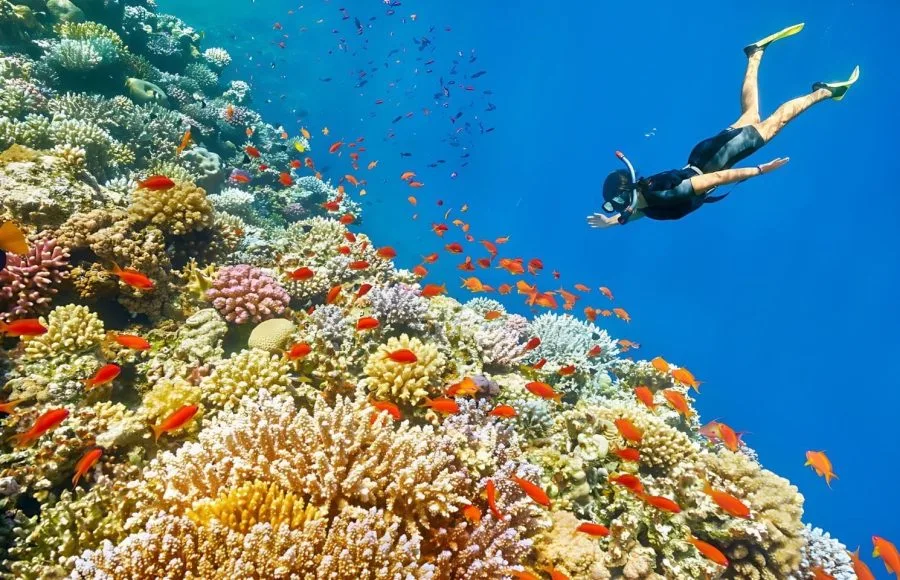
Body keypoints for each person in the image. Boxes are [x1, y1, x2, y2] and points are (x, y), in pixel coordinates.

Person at [588, 23, 859, 227]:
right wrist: (611, 222)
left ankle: (823, 92)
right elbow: (637, 212)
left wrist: (759, 170)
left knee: (774, 124)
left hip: (716, 159)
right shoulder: (648, 203)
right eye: (613, 206)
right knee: (751, 115)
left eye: (619, 201)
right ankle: (755, 54)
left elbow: (716, 178)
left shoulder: (666, 194)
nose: (619, 208)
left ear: (630, 191)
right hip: (705, 154)